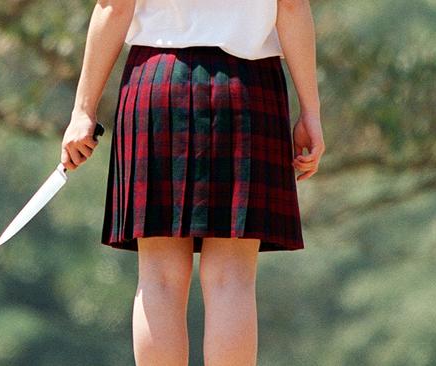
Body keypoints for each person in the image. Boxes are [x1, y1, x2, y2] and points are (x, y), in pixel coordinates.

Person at [60, 0, 324, 364]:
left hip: (158, 82)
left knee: (160, 280)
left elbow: (114, 6)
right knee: (231, 277)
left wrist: (83, 111)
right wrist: (310, 112)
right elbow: (292, 7)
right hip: (247, 89)